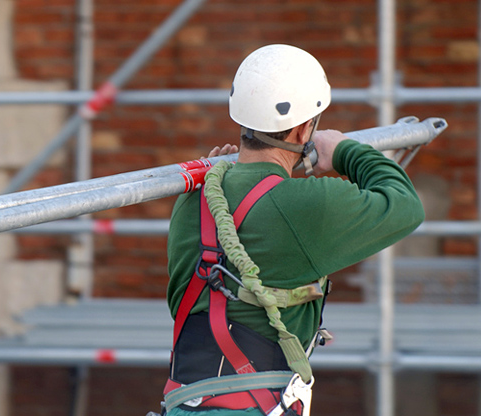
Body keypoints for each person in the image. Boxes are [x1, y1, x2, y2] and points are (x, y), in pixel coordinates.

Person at [162, 44, 425, 416]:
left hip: (182, 402)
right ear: (304, 129)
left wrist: (224, 179)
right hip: (255, 406)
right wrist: (347, 151)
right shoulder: (307, 204)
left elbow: (186, 299)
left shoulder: (193, 200)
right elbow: (405, 205)